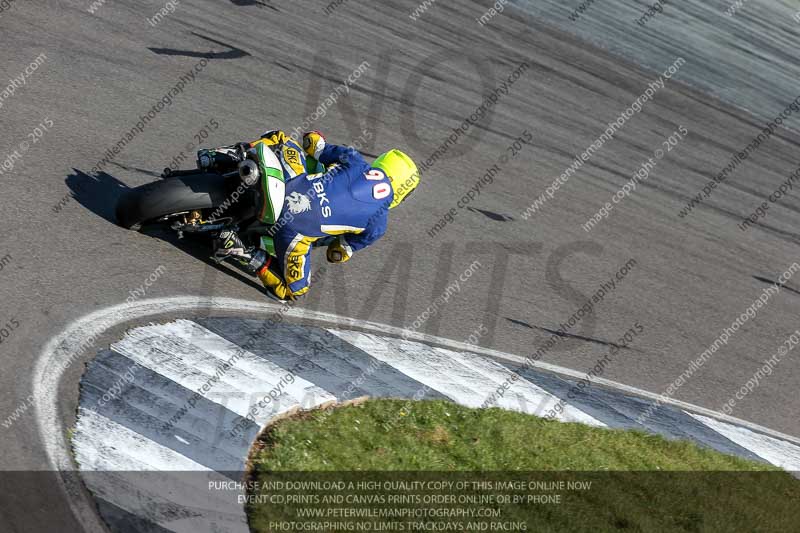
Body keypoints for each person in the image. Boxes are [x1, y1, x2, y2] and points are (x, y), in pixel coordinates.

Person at [197, 130, 420, 301]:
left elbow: (313, 144)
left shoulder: (354, 159)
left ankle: (219, 156)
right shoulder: (378, 224)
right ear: (402, 193)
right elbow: (337, 253)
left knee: (279, 138)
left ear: (381, 162)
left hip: (291, 183)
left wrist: (314, 137)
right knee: (293, 291)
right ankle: (242, 250)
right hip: (294, 234)